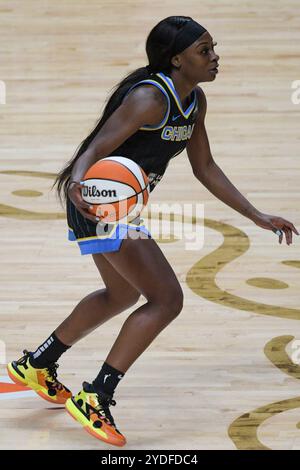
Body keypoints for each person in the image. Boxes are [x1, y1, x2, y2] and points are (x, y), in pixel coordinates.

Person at [7, 16, 298, 447]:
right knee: (166, 299)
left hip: (117, 204)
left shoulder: (194, 100)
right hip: (97, 201)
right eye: (205, 51)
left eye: (214, 47)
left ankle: (38, 363)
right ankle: (96, 395)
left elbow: (205, 167)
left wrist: (255, 215)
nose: (215, 57)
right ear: (177, 59)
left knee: (122, 295)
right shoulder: (149, 98)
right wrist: (76, 186)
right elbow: (94, 148)